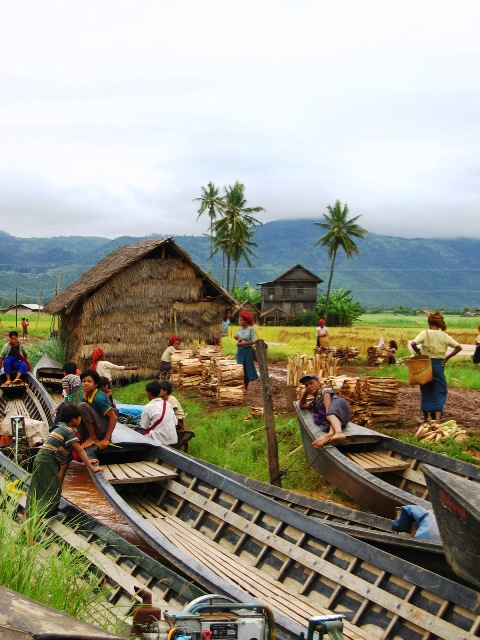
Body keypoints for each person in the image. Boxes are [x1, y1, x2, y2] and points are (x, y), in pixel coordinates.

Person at [26, 404, 102, 519]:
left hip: (39, 458)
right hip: (48, 462)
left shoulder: (59, 427)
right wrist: (92, 468)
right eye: (79, 417)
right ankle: (36, 523)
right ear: (74, 419)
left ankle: (26, 519)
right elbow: (80, 450)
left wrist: (88, 461)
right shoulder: (68, 432)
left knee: (36, 489)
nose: (80, 420)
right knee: (53, 493)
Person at [410, 310, 462, 426]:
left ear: (429, 323)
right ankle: (437, 421)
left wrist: (420, 354)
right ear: (439, 324)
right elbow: (459, 347)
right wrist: (446, 358)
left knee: (425, 390)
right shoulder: (444, 335)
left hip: (425, 365)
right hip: (439, 365)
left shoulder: (425, 333)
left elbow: (413, 344)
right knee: (439, 391)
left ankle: (425, 419)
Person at [299, 373, 351, 448]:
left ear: (319, 383)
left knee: (329, 416)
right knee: (329, 418)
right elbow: (302, 405)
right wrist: (306, 391)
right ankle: (330, 434)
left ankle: (339, 432)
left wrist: (327, 412)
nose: (309, 386)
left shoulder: (325, 388)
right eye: (306, 385)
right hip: (338, 416)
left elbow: (327, 396)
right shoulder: (315, 402)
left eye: (311, 383)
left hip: (339, 405)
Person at [78, 368, 117, 449]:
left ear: (96, 384)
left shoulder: (99, 398)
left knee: (82, 406)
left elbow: (113, 418)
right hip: (95, 426)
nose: (86, 384)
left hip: (102, 430)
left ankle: (93, 437)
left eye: (89, 381)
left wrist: (106, 439)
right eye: (84, 381)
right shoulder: (85, 395)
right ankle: (88, 437)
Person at [139, 381, 178, 446]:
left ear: (148, 393)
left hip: (159, 441)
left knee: (140, 433)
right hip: (172, 439)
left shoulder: (147, 407)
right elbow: (175, 422)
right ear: (160, 391)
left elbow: (144, 426)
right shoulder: (168, 404)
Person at [51, 361, 82, 428]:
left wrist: (57, 409)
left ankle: (55, 426)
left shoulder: (65, 378)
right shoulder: (77, 377)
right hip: (81, 391)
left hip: (75, 391)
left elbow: (68, 393)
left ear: (65, 372)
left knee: (62, 409)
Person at [234, 311, 258, 389]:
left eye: (241, 320)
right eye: (239, 320)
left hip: (248, 351)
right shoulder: (240, 329)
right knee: (239, 368)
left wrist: (243, 344)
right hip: (240, 351)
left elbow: (254, 341)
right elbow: (238, 336)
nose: (240, 322)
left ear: (246, 321)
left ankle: (245, 387)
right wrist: (236, 337)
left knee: (247, 369)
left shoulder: (251, 330)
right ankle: (239, 386)